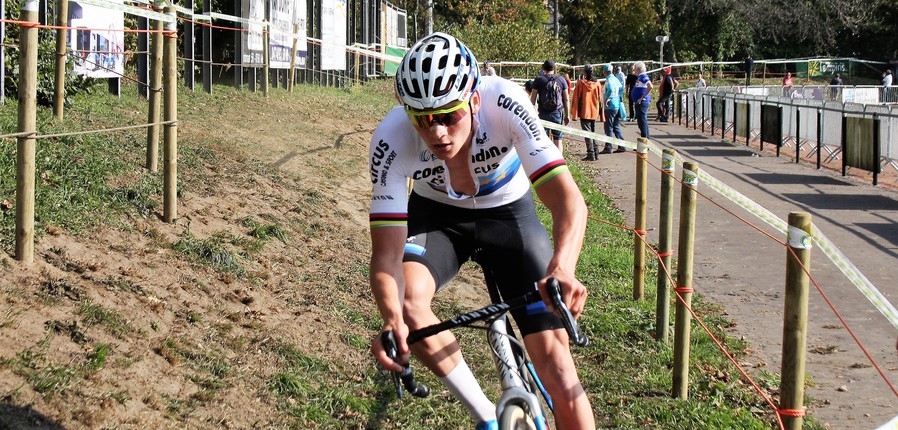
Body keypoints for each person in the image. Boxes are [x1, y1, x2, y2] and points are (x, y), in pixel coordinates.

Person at [368, 32, 595, 430]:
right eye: (422, 119)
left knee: (559, 369)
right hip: (439, 219)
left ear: (473, 101)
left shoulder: (505, 103)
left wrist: (563, 266)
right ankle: (488, 417)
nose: (437, 132)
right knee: (407, 304)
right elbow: (385, 256)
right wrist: (391, 320)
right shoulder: (391, 138)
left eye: (449, 115)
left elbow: (568, 201)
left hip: (510, 214)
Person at [530, 59, 570, 153]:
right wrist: (567, 115)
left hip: (543, 114)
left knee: (544, 140)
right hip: (557, 113)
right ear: (555, 68)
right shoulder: (561, 79)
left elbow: (533, 99)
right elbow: (566, 99)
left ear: (544, 68)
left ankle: (547, 162)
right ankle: (559, 162)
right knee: (558, 140)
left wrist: (532, 113)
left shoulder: (539, 79)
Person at [571, 64, 603, 160]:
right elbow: (601, 99)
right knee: (593, 132)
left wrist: (574, 112)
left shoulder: (581, 83)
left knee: (587, 133)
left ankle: (591, 153)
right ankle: (596, 151)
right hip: (594, 111)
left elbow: (576, 98)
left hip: (585, 111)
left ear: (585, 72)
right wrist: (601, 113)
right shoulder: (597, 84)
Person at [601, 64, 626, 153]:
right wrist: (618, 96)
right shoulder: (615, 79)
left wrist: (607, 98)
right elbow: (621, 88)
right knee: (615, 125)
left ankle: (608, 147)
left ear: (605, 72)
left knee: (608, 126)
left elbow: (610, 89)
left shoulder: (609, 79)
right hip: (616, 104)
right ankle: (622, 145)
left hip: (610, 106)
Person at [630, 61, 653, 139]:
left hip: (642, 102)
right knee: (641, 122)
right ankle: (645, 141)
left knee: (642, 122)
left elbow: (650, 86)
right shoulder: (639, 76)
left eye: (635, 68)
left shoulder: (643, 76)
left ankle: (645, 142)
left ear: (638, 68)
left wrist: (642, 97)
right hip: (639, 102)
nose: (634, 70)